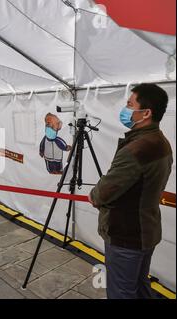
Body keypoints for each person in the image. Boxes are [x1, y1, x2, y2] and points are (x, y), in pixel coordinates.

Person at [89, 83, 173, 299]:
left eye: (129, 104)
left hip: (126, 235)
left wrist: (93, 195)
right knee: (139, 284)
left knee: (121, 292)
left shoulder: (137, 149)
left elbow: (104, 191)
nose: (125, 109)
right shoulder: (161, 142)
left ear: (146, 113)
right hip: (146, 230)